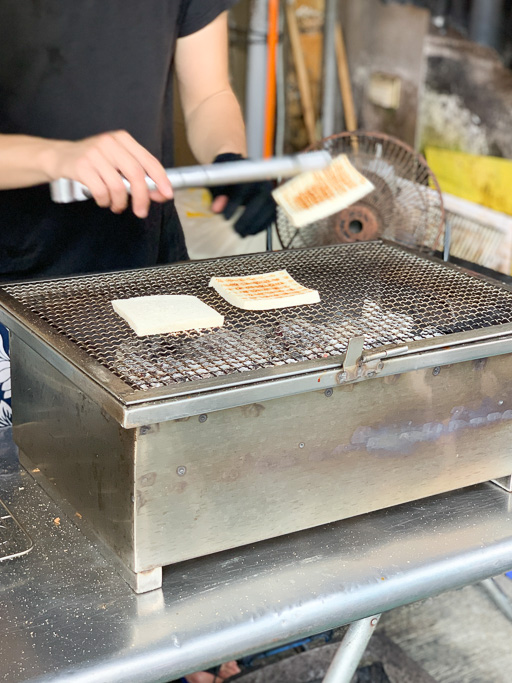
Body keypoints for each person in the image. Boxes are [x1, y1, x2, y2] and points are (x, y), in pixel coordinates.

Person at [0, 2, 276, 680]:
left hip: (143, 268)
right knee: (33, 528)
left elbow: (208, 92)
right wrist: (58, 156)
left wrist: (228, 158)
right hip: (14, 283)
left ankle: (174, 644)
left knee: (156, 484)